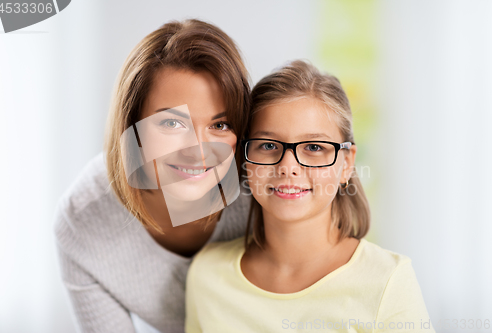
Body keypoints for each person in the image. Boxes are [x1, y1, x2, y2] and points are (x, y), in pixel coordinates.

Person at [185, 60, 436, 332]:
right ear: (244, 159)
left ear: (347, 163)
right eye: (268, 145)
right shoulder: (206, 274)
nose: (288, 168)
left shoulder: (388, 281)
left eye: (314, 147)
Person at [53, 19, 251, 333]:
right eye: (172, 124)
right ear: (131, 128)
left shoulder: (262, 190)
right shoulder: (84, 220)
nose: (199, 151)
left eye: (220, 125)